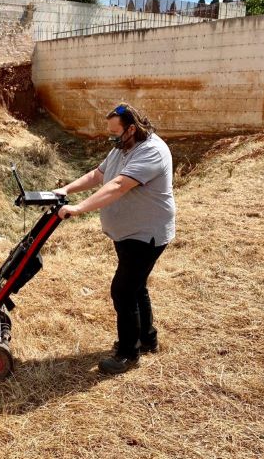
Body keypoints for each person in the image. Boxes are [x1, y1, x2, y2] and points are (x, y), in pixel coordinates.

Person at [55, 103, 175, 375]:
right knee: (136, 286)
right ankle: (146, 339)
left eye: (115, 133)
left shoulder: (151, 151)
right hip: (128, 233)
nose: (111, 138)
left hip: (146, 234)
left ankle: (127, 354)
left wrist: (79, 208)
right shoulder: (123, 146)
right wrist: (65, 189)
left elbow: (118, 185)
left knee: (123, 290)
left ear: (131, 128)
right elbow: (98, 175)